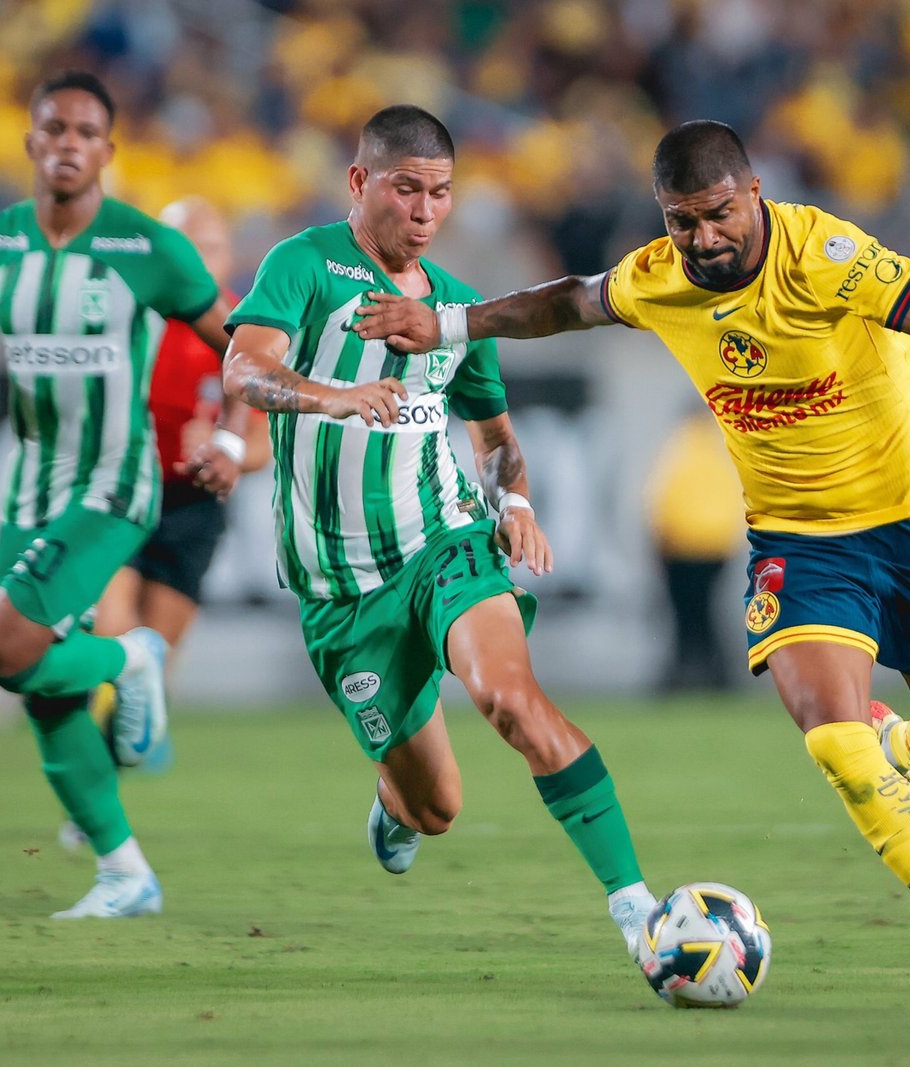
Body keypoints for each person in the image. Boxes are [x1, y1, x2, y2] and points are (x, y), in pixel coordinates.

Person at [351, 119, 910, 996]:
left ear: (755, 192)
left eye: (718, 214)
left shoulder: (828, 254)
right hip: (798, 540)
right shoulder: (660, 278)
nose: (701, 239)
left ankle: (906, 743)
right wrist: (451, 322)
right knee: (837, 746)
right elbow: (567, 300)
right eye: (680, 221)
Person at [219, 105, 659, 956]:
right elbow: (245, 368)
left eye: (441, 194)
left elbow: (495, 441)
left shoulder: (457, 308)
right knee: (438, 806)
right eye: (406, 189)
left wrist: (517, 504)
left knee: (510, 700)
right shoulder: (304, 265)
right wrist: (331, 395)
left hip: (446, 543)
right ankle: (398, 805)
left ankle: (640, 910)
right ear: (360, 183)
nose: (424, 212)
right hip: (343, 593)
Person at [0, 70, 241, 919]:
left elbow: (244, 345)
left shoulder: (146, 248)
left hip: (114, 485)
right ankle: (125, 872)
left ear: (107, 151)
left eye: (86, 132)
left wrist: (234, 437)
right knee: (43, 690)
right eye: (54, 128)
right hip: (31, 487)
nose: (68, 144)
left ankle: (131, 659)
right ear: (30, 141)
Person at [57, 197, 271, 852]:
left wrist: (229, 452)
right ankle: (92, 801)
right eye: (183, 244)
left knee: (152, 665)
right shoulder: (124, 313)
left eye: (208, 245)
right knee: (117, 632)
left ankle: (103, 782)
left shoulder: (246, 329)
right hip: (124, 490)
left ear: (227, 255)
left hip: (194, 506)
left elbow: (264, 443)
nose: (196, 258)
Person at [644, 410, 746, 691]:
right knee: (708, 613)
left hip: (681, 546)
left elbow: (659, 496)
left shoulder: (677, 447)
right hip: (717, 547)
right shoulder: (721, 448)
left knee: (684, 616)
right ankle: (719, 674)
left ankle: (681, 674)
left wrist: (658, 538)